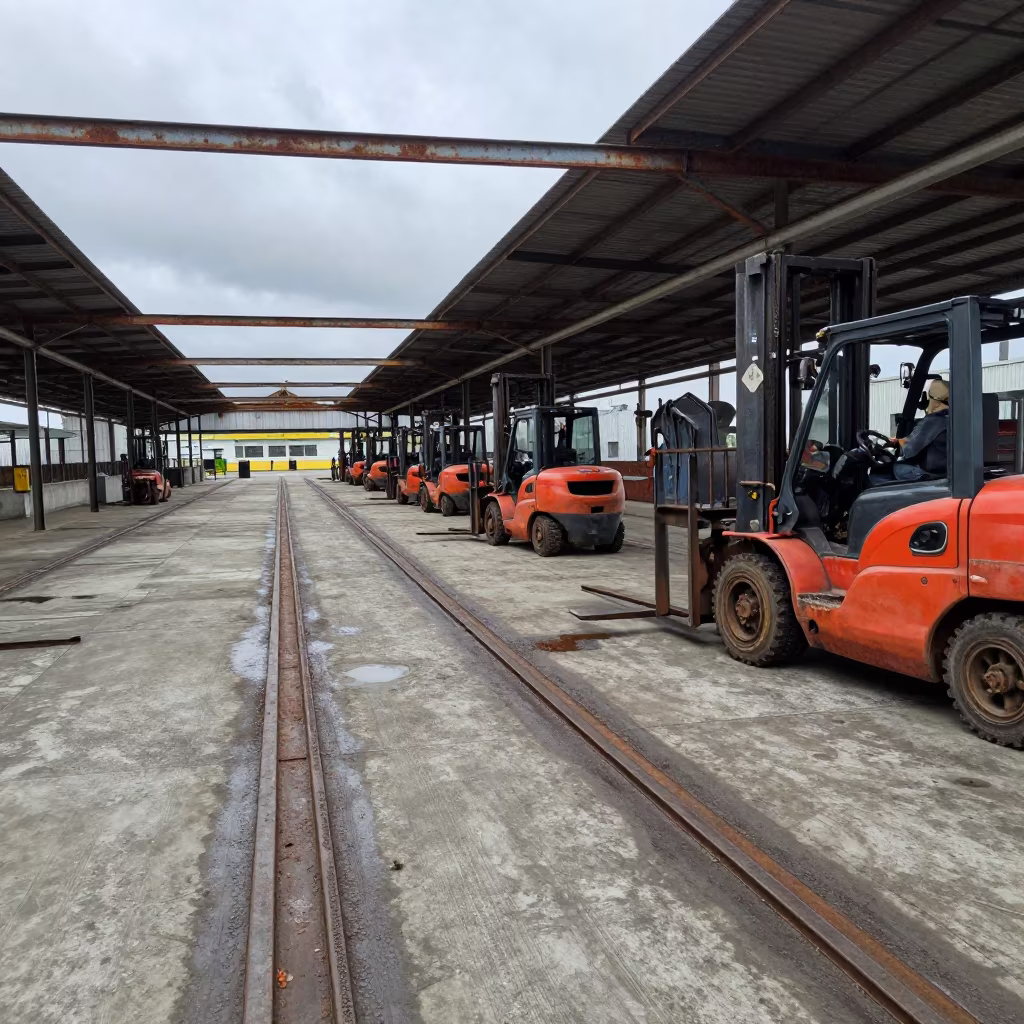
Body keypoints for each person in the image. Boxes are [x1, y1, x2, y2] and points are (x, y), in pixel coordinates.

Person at [892, 378, 949, 481]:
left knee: (897, 467)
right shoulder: (953, 418)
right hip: (947, 472)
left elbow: (910, 448)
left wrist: (897, 445)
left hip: (932, 475)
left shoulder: (935, 420)